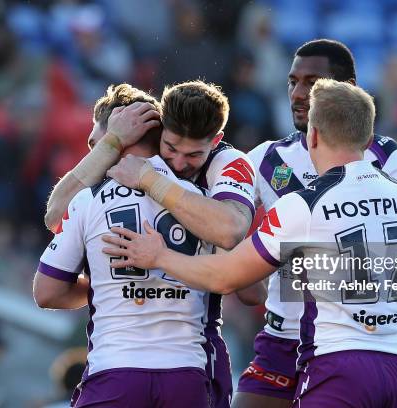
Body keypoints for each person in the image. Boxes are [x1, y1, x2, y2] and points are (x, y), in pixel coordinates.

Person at [104, 78, 397, 408]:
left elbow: (225, 277)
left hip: (337, 364)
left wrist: (160, 256)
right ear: (367, 136)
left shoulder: (304, 203)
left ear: (314, 135)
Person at [43, 81, 266, 408]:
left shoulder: (227, 163)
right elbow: (55, 215)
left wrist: (150, 182)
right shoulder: (114, 179)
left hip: (164, 361)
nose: (178, 163)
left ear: (214, 143)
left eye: (193, 155)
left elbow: (231, 234)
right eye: (171, 148)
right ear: (159, 135)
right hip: (187, 367)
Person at [231, 39, 397, 408]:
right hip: (282, 340)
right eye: (292, 82)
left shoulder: (388, 159)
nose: (298, 93)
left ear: (346, 89)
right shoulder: (266, 159)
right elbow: (226, 225)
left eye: (312, 83)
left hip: (347, 341)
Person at [33, 105, 212, 406]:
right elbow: (244, 287)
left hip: (116, 370)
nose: (94, 154)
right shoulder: (202, 200)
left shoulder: (88, 200)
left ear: (122, 134)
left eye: (96, 144)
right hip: (187, 374)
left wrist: (105, 285)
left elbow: (46, 292)